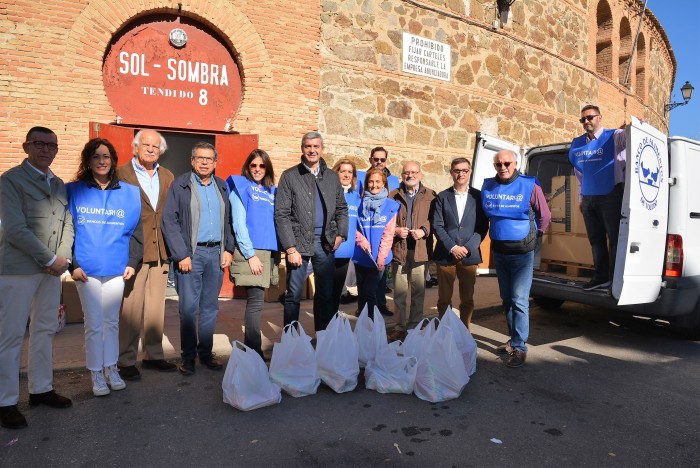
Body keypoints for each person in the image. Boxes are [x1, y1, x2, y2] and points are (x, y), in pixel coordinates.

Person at [0, 127, 74, 429]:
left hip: (51, 271)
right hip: (18, 270)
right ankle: (5, 401)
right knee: (12, 335)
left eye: (51, 145)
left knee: (44, 330)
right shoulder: (10, 181)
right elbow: (15, 229)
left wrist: (63, 259)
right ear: (26, 147)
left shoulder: (57, 184)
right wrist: (49, 258)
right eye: (38, 144)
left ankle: (41, 389)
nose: (45, 149)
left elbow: (67, 223)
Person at [66, 138, 143, 396]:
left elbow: (136, 232)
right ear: (88, 161)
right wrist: (72, 265)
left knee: (111, 322)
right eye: (96, 157)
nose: (101, 161)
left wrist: (133, 262)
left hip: (117, 268)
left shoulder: (129, 193)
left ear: (113, 161)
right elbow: (68, 232)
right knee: (93, 323)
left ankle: (111, 368)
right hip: (85, 270)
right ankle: (96, 373)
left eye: (106, 157)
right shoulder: (74, 191)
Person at [162, 142, 235, 375]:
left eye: (209, 159)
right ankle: (189, 357)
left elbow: (229, 222)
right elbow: (169, 221)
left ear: (215, 163)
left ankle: (205, 353)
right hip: (190, 255)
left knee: (211, 307)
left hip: (215, 253)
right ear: (192, 161)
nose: (204, 162)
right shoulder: (180, 185)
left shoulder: (222, 186)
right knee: (188, 308)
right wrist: (181, 254)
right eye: (200, 158)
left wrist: (228, 249)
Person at [481, 150, 551, 368]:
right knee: (507, 298)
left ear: (515, 163)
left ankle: (520, 347)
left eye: (507, 163)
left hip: (522, 252)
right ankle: (513, 340)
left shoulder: (530, 185)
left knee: (520, 300)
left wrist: (535, 235)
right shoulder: (488, 186)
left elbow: (545, 215)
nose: (502, 167)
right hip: (499, 251)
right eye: (498, 164)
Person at [116, 129, 176, 380]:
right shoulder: (120, 174)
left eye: (155, 146)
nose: (151, 149)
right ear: (135, 147)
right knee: (130, 308)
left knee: (155, 308)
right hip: (133, 250)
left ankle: (153, 355)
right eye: (146, 145)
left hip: (160, 248)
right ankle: (125, 359)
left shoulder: (167, 175)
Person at [274, 132, 348, 331]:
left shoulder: (332, 177)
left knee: (325, 294)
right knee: (293, 294)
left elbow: (342, 208)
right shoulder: (290, 176)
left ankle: (323, 337)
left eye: (316, 146)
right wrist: (290, 248)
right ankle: (291, 339)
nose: (312, 150)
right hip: (298, 243)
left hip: (325, 242)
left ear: (322, 148)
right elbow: (281, 214)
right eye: (308, 146)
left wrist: (341, 234)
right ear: (302, 148)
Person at [227, 149, 280, 359]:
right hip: (252, 251)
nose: (257, 169)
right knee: (255, 302)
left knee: (260, 301)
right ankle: (253, 350)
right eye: (253, 165)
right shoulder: (241, 189)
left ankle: (252, 348)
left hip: (268, 252)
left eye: (261, 165)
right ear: (247, 167)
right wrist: (250, 255)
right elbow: (239, 224)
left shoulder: (271, 191)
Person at [569, 104, 627, 291]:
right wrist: (580, 197)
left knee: (615, 238)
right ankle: (601, 277)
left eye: (590, 117)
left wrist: (637, 128)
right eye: (583, 119)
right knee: (596, 240)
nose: (587, 121)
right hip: (588, 198)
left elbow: (629, 139)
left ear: (599, 117)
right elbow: (580, 173)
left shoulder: (614, 136)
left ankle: (616, 279)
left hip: (611, 195)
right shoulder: (578, 144)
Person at [432, 158, 488, 331]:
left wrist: (467, 248)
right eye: (457, 170)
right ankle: (445, 330)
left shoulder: (478, 197)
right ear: (451, 172)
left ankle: (465, 330)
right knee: (444, 299)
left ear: (470, 172)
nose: (460, 174)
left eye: (464, 170)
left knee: (467, 298)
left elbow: (482, 227)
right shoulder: (442, 196)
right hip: (446, 255)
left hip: (469, 255)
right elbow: (437, 225)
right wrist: (453, 247)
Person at [387, 162, 436, 342]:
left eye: (414, 172)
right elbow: (386, 221)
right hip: (399, 250)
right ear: (402, 175)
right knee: (399, 293)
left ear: (420, 175)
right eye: (407, 173)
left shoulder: (431, 196)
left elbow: (435, 219)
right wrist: (396, 230)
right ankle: (400, 328)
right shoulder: (392, 196)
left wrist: (424, 230)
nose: (410, 175)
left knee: (418, 292)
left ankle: (415, 326)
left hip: (420, 251)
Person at [357, 147, 399, 316]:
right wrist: (361, 241)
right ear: (370, 159)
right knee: (365, 291)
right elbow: (354, 225)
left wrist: (381, 255)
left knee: (375, 288)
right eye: (376, 159)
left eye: (382, 160)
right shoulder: (360, 200)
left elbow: (388, 233)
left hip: (380, 253)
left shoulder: (390, 202)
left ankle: (377, 313)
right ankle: (365, 317)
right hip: (362, 252)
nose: (379, 162)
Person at [331, 159, 362, 314]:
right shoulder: (329, 193)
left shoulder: (356, 197)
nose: (346, 174)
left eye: (350, 172)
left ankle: (332, 325)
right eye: (343, 171)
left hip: (345, 252)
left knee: (336, 292)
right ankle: (322, 328)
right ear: (336, 172)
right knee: (324, 293)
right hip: (328, 251)